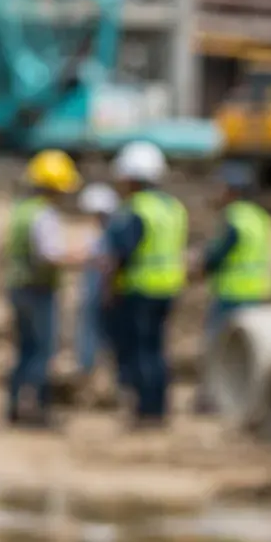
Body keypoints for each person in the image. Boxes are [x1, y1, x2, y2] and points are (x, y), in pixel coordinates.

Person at [100, 141, 187, 427]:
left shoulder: (136, 209)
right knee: (158, 349)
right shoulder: (173, 207)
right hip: (168, 288)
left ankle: (145, 411)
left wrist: (109, 288)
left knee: (141, 351)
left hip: (139, 289)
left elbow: (121, 253)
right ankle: (159, 408)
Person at [2, 149, 83, 426]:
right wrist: (80, 258)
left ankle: (14, 405)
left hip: (18, 288)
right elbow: (49, 254)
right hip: (38, 289)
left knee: (24, 349)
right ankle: (35, 409)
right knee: (41, 351)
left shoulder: (22, 210)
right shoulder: (44, 215)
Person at [196, 160, 271, 413]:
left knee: (218, 346)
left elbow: (218, 255)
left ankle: (214, 398)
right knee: (246, 348)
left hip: (232, 292)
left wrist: (200, 266)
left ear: (233, 190)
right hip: (256, 291)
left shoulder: (234, 218)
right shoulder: (261, 217)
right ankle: (245, 396)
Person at [73, 182, 119, 379]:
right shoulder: (106, 232)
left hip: (101, 290)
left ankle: (93, 371)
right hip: (98, 289)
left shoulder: (111, 233)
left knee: (97, 332)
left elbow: (108, 263)